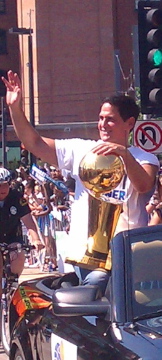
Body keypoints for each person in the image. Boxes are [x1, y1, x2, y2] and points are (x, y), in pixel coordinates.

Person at [2, 71, 159, 294]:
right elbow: (34, 142)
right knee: (95, 298)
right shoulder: (82, 150)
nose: (103, 124)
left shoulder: (144, 157)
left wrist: (123, 155)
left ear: (129, 123)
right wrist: (15, 108)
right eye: (101, 118)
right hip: (89, 259)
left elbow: (144, 185)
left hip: (128, 257)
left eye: (110, 119)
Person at [0, 167, 43, 299]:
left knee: (19, 254)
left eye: (5, 185)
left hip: (13, 236)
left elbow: (28, 221)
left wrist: (36, 239)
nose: (2, 189)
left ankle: (13, 282)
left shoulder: (17, 197)